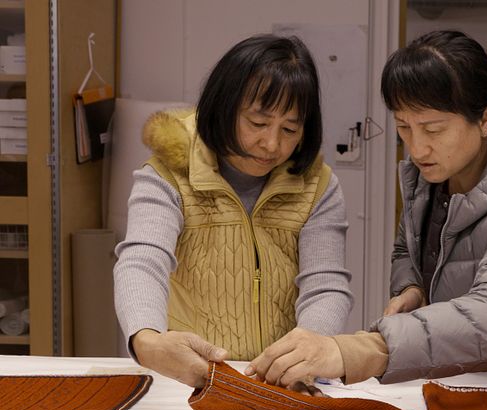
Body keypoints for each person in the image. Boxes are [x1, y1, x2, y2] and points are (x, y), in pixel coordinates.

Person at [247, 30, 487, 386]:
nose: (417, 148)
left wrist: (366, 349)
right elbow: (409, 249)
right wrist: (412, 286)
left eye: (433, 129)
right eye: (404, 127)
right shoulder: (431, 175)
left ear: (486, 119)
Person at [113, 34, 353, 389]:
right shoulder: (168, 174)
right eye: (258, 123)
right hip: (189, 376)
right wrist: (147, 339)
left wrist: (307, 348)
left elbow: (325, 284)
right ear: (224, 107)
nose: (271, 144)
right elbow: (144, 259)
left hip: (284, 382)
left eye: (289, 129)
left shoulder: (318, 185)